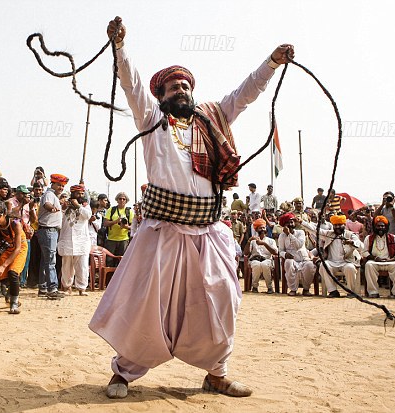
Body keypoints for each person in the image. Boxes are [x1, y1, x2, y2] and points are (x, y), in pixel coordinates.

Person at [90, 16, 294, 398]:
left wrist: (271, 63)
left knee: (223, 299)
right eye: (173, 86)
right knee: (147, 306)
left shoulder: (213, 118)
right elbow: (131, 84)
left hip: (209, 231)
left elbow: (245, 94)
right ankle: (123, 373)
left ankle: (216, 374)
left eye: (185, 84)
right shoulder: (151, 121)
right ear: (162, 95)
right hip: (163, 231)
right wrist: (119, 47)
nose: (181, 89)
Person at [302, 214, 363, 297]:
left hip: (346, 262)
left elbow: (361, 246)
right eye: (335, 225)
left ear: (344, 225)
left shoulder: (350, 235)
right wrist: (301, 222)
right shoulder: (329, 234)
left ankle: (351, 291)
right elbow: (315, 230)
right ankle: (333, 291)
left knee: (350, 268)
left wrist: (352, 242)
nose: (337, 227)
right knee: (323, 266)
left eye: (339, 225)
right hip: (332, 262)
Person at [0, 201, 27, 314]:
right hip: (6, 247)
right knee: (2, 276)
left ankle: (14, 303)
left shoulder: (15, 224)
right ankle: (11, 292)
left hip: (19, 248)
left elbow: (17, 249)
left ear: (5, 214)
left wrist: (4, 265)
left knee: (13, 272)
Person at [37, 174, 68, 300]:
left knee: (46, 260)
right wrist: (53, 208)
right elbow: (47, 205)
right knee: (50, 260)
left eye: (62, 186)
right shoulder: (49, 194)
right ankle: (52, 288)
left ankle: (43, 287)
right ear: (53, 184)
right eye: (58, 185)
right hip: (48, 230)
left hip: (50, 230)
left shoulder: (54, 196)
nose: (61, 187)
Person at [58, 184, 91, 295]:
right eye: (78, 193)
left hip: (81, 240)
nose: (80, 195)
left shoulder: (85, 205)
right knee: (67, 266)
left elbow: (87, 216)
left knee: (82, 266)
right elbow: (59, 214)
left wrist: (78, 206)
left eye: (82, 193)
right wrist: (63, 206)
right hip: (67, 239)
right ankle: (67, 287)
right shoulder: (65, 204)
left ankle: (81, 288)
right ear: (73, 194)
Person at [361, 215, 395, 299]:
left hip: (390, 261)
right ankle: (373, 292)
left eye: (382, 226)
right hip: (375, 262)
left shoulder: (392, 237)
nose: (380, 228)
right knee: (368, 265)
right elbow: (364, 252)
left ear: (386, 227)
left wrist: (391, 259)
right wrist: (375, 258)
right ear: (375, 227)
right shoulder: (369, 238)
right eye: (378, 226)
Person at [278, 213, 316, 296]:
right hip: (292, 258)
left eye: (292, 222)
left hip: (303, 258)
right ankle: (293, 289)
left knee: (310, 265)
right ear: (284, 225)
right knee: (288, 263)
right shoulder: (282, 236)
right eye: (288, 223)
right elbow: (280, 250)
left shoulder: (300, 232)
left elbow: (298, 245)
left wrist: (289, 235)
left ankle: (306, 289)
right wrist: (285, 255)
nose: (291, 224)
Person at [244, 219, 278, 294]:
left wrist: (264, 244)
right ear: (256, 229)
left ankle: (269, 287)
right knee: (256, 265)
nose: (262, 229)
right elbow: (246, 253)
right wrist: (249, 241)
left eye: (263, 228)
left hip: (267, 260)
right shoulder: (253, 240)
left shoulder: (271, 241)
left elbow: (275, 252)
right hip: (255, 259)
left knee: (264, 265)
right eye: (260, 228)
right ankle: (255, 287)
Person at [103, 192, 134, 266]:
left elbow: (134, 227)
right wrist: (115, 221)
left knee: (122, 261)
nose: (122, 200)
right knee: (109, 261)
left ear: (126, 201)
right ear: (117, 200)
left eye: (124, 199)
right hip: (111, 239)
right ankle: (109, 277)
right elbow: (105, 223)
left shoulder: (129, 211)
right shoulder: (111, 210)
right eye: (120, 199)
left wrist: (125, 226)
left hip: (124, 240)